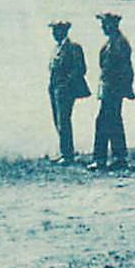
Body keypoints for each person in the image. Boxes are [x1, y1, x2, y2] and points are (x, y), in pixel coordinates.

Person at [89, 12, 135, 171]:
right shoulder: (114, 42)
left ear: (112, 25)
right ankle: (118, 157)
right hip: (110, 88)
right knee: (113, 121)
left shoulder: (119, 44)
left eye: (104, 25)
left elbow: (126, 69)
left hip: (113, 89)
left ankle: (101, 159)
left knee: (103, 122)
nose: (102, 28)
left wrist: (124, 88)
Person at [46, 20, 90, 164]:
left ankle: (67, 154)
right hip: (54, 87)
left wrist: (66, 83)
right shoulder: (57, 48)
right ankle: (65, 151)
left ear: (64, 31)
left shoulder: (73, 47)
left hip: (65, 89)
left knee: (64, 120)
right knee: (58, 120)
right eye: (53, 31)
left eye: (56, 30)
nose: (54, 33)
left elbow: (80, 69)